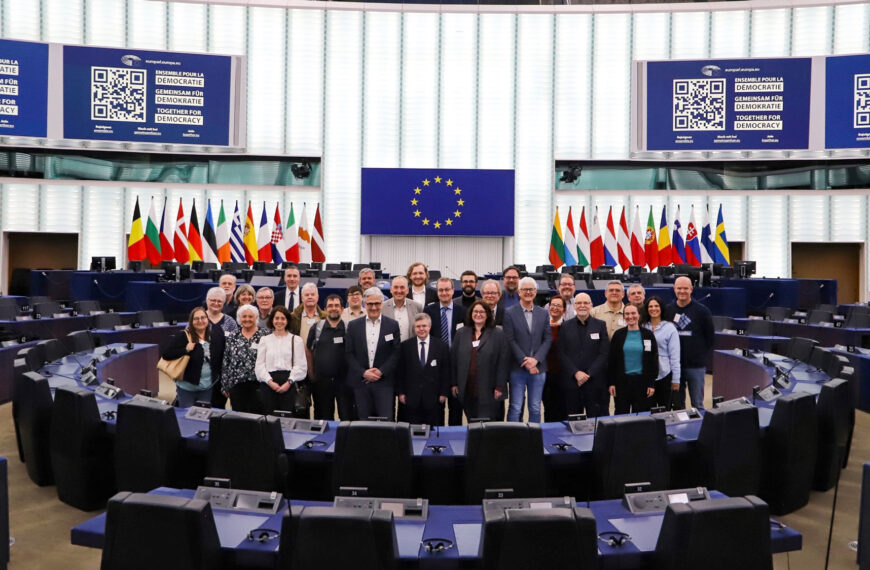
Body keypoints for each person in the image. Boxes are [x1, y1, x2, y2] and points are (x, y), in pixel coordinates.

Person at [345, 287, 401, 420]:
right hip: (361, 382)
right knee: (363, 422)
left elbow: (396, 353)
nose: (374, 307)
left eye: (377, 303)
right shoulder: (354, 326)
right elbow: (349, 353)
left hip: (384, 383)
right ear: (364, 304)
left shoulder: (392, 325)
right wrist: (364, 373)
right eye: (370, 304)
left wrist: (380, 372)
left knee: (385, 422)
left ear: (382, 303)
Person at [451, 300, 509, 422]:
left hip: (490, 389)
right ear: (471, 314)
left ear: (488, 314)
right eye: (475, 311)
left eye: (482, 312)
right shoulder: (461, 333)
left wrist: (500, 386)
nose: (478, 314)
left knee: (489, 423)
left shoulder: (498, 333)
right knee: (472, 422)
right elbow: (454, 360)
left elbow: (503, 362)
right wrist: (454, 383)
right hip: (467, 388)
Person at [504, 277, 551, 423]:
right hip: (517, 368)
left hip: (538, 368)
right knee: (515, 407)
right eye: (525, 289)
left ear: (536, 292)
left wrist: (536, 360)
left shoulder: (543, 313)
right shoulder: (509, 313)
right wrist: (526, 361)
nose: (528, 292)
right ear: (519, 292)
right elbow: (510, 340)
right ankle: (513, 438)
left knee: (535, 408)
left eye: (531, 289)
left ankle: (533, 440)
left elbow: (547, 339)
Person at [663, 276, 714, 410]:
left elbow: (710, 338)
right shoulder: (667, 311)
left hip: (695, 366)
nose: (682, 291)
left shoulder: (702, 311)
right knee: (678, 405)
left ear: (691, 289)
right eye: (679, 288)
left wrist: (698, 354)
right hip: (674, 367)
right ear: (674, 289)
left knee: (697, 405)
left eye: (685, 288)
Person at [558, 293, 610, 418]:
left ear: (591, 305)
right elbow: (561, 352)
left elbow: (604, 353)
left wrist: (589, 373)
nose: (582, 306)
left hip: (594, 381)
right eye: (579, 303)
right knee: (573, 419)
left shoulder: (600, 325)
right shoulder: (565, 326)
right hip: (572, 381)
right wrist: (576, 373)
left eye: (586, 303)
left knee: (596, 419)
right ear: (574, 306)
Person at [424, 277, 466, 425]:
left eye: (447, 289)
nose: (444, 293)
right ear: (437, 292)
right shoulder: (429, 310)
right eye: (441, 290)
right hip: (436, 366)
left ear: (453, 291)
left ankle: (456, 440)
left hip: (456, 364)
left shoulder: (463, 312)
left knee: (456, 408)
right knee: (436, 408)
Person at [162, 307, 223, 408]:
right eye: (196, 318)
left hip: (207, 387)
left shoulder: (214, 336)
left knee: (203, 416)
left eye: (203, 317)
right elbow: (166, 354)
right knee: (186, 417)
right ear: (191, 321)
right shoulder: (184, 336)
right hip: (187, 388)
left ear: (207, 320)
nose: (200, 321)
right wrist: (185, 350)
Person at [397, 313, 450, 425]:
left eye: (424, 326)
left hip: (434, 399)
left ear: (429, 327)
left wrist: (444, 393)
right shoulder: (405, 346)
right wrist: (400, 393)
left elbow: (446, 372)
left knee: (434, 433)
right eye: (418, 326)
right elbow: (400, 372)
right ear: (414, 328)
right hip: (411, 399)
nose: (421, 329)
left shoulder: (441, 346)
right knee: (411, 434)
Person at [255, 305, 308, 416]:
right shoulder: (265, 340)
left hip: (289, 383)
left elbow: (301, 366)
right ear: (272, 320)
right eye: (276, 318)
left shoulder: (296, 340)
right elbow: (259, 366)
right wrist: (270, 382)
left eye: (283, 318)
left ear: (287, 321)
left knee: (288, 419)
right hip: (268, 384)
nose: (279, 321)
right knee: (268, 419)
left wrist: (289, 382)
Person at [307, 294, 353, 421]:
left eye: (337, 305)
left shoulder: (350, 328)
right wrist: (311, 373)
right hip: (322, 382)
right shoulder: (317, 328)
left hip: (345, 382)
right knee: (323, 418)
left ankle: (346, 441)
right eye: (330, 306)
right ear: (325, 309)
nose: (334, 308)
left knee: (346, 416)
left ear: (342, 309)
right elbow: (309, 350)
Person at [608, 304, 658, 414]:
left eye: (633, 313)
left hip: (642, 383)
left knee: (641, 416)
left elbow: (653, 361)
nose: (630, 316)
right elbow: (612, 361)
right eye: (627, 314)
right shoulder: (618, 335)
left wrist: (651, 383)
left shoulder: (648, 335)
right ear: (623, 316)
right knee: (621, 414)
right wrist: (611, 383)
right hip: (622, 383)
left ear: (639, 315)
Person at [221, 304, 269, 414]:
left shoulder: (265, 335)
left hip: (258, 385)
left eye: (250, 316)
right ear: (239, 318)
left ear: (256, 318)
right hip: (236, 384)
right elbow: (226, 360)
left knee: (258, 417)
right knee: (239, 418)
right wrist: (225, 386)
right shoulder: (233, 336)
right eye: (244, 316)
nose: (247, 319)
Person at [643, 296, 681, 410]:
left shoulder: (670, 328)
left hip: (664, 374)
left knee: (665, 409)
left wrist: (676, 380)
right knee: (647, 409)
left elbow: (675, 356)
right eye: (650, 306)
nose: (653, 309)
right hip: (646, 375)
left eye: (656, 306)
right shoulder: (642, 326)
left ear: (661, 308)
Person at [542, 295, 566, 421]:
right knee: (548, 407)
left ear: (564, 310)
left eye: (559, 306)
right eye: (553, 305)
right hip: (545, 374)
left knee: (562, 407)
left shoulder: (568, 328)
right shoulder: (542, 327)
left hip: (563, 375)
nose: (555, 308)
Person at [382, 275, 422, 341]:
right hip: (389, 349)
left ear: (407, 290)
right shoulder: (382, 307)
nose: (399, 291)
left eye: (402, 287)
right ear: (391, 289)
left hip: (410, 349)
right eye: (396, 287)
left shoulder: (417, 307)